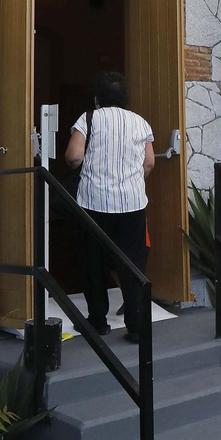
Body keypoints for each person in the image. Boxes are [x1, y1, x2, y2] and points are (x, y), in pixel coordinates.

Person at [65, 72, 155, 339]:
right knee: (132, 264)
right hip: (133, 204)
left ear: (97, 98)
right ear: (126, 99)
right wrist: (132, 182)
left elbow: (73, 157)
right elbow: (149, 163)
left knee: (92, 263)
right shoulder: (141, 122)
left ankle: (98, 321)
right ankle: (137, 327)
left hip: (94, 203)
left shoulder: (88, 119)